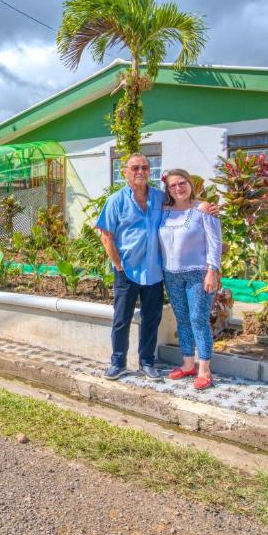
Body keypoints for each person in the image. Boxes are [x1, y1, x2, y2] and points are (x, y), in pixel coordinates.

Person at [95, 153, 216, 380]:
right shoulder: (116, 201)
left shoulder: (160, 198)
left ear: (149, 171)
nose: (140, 172)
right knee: (121, 319)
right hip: (126, 270)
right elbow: (105, 235)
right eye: (135, 168)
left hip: (154, 270)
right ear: (125, 172)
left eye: (144, 168)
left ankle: (147, 362)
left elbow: (185, 206)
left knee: (152, 318)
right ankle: (118, 362)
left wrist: (207, 208)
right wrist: (118, 265)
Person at [158, 168, 222, 390]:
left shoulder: (203, 209)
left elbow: (215, 243)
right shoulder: (164, 211)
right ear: (168, 189)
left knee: (198, 318)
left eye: (182, 183)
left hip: (198, 273)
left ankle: (204, 369)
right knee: (182, 319)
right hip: (171, 274)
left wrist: (212, 271)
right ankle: (187, 364)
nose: (178, 188)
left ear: (190, 183)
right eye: (173, 185)